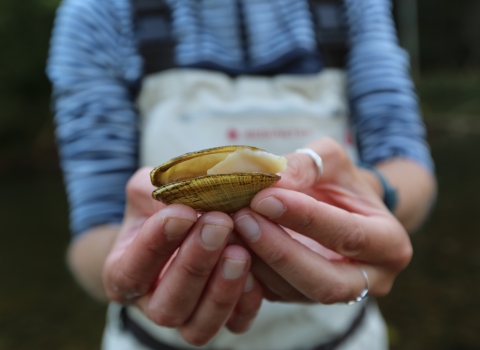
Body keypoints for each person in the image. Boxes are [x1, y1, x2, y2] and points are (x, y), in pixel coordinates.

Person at [47, 0, 436, 349]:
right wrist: (135, 273)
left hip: (345, 338)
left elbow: (408, 164)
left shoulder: (353, 5)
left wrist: (373, 194)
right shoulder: (98, 11)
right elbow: (93, 236)